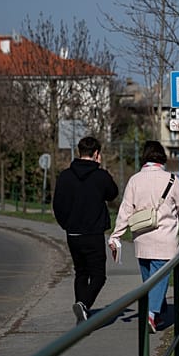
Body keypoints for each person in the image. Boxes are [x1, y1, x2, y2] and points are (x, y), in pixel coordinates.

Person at [109, 141, 179, 333]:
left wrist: (116, 235)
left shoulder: (135, 180)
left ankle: (157, 314)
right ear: (162, 157)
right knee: (159, 279)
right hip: (165, 239)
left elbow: (125, 210)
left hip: (142, 240)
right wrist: (177, 218)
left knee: (149, 282)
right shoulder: (171, 180)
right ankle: (151, 315)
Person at [53, 136, 119, 325]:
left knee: (81, 273)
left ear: (79, 152)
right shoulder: (101, 176)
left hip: (73, 233)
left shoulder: (65, 176)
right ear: (97, 154)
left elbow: (57, 204)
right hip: (93, 233)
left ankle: (81, 317)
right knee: (98, 275)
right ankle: (83, 304)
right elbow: (113, 193)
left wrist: (66, 224)